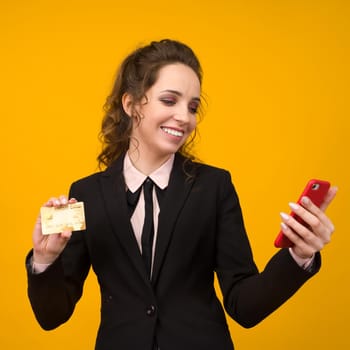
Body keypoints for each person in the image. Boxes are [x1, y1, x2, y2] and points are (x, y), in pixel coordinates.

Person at [25, 39, 337, 350]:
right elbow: (52, 316)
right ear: (131, 103)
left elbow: (245, 305)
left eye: (192, 107)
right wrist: (45, 260)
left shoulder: (214, 187)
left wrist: (299, 256)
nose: (185, 118)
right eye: (169, 100)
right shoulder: (85, 193)